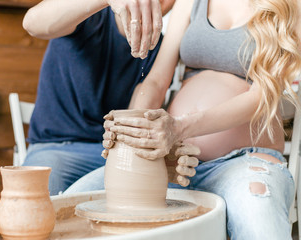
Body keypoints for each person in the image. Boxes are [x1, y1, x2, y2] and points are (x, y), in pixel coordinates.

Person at [67, 0, 301, 239]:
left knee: (258, 215)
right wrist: (130, 132)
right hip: (174, 162)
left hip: (245, 162)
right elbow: (156, 82)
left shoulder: (288, 5)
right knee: (69, 208)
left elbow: (261, 97)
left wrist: (180, 127)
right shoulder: (191, 1)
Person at [21, 0, 199, 196]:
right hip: (56, 149)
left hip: (112, 151)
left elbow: (142, 104)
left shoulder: (157, 49)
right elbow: (32, 23)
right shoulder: (87, 16)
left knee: (168, 194)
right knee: (35, 201)